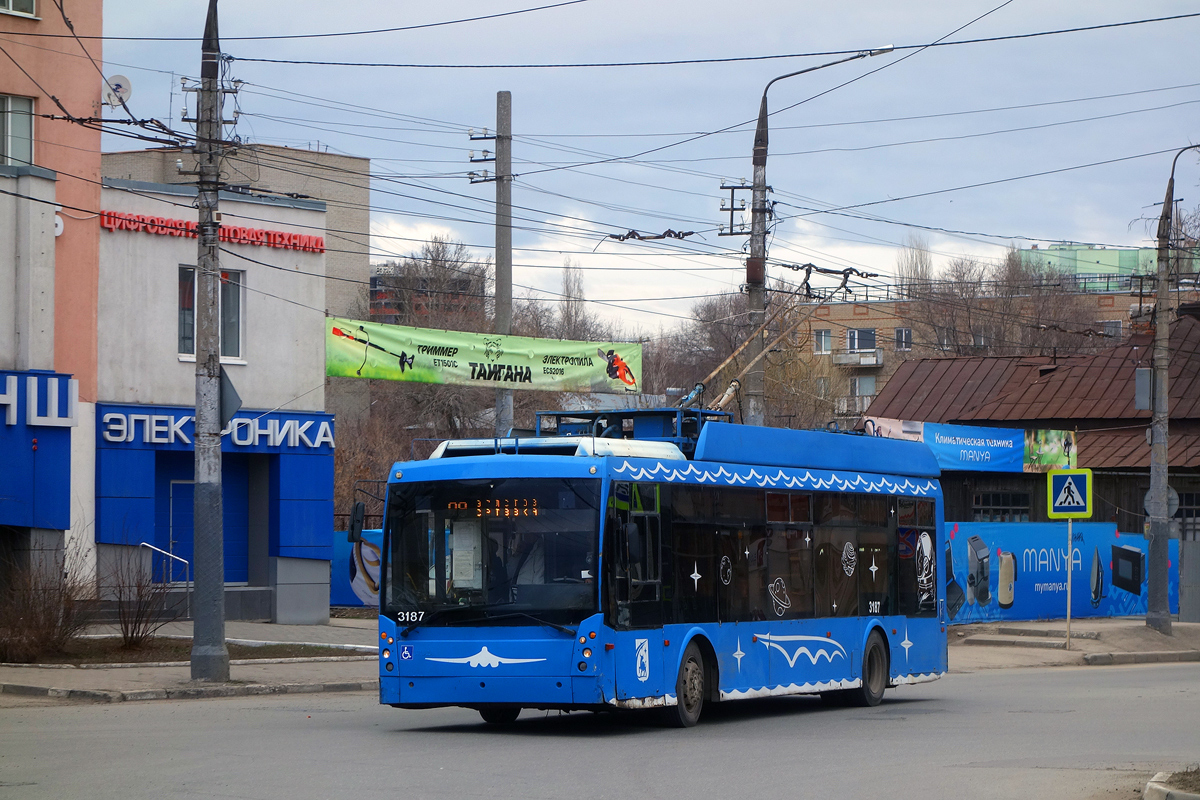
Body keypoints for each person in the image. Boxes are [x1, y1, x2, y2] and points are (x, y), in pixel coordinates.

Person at [487, 537, 510, 603]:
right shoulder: (482, 562)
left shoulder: (497, 563)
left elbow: (501, 585)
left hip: (495, 600)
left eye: (491, 547)